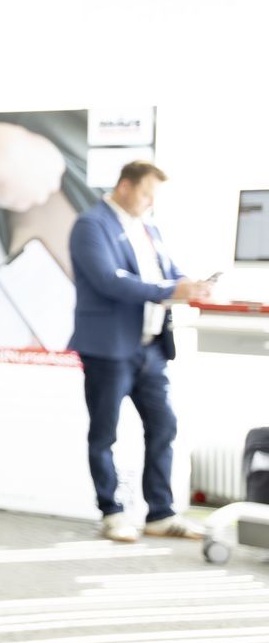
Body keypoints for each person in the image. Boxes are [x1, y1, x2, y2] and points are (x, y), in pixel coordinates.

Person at [68, 160, 210, 544]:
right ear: (125, 186)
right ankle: (111, 512)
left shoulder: (149, 228)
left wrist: (191, 285)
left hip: (152, 349)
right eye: (147, 193)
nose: (150, 202)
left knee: (164, 426)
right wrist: (169, 290)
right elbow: (109, 281)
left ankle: (160, 513)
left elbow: (169, 273)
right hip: (109, 350)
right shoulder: (90, 225)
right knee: (105, 434)